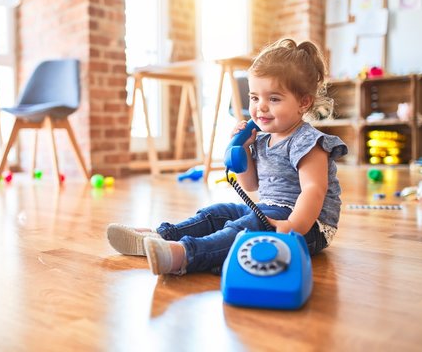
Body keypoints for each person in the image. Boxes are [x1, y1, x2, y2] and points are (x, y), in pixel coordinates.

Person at [107, 38, 348, 276]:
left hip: (308, 227)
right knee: (218, 212)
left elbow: (313, 190)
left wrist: (294, 226)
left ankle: (184, 254)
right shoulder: (262, 138)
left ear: (303, 103)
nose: (261, 107)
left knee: (243, 229)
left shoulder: (308, 141)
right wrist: (240, 149)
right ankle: (160, 236)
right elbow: (250, 184)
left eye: (273, 99)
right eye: (255, 97)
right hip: (268, 210)